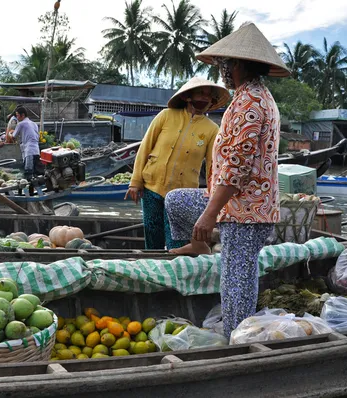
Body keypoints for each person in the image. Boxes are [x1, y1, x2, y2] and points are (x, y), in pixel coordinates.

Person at [165, 22, 290, 339]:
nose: (221, 70)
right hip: (232, 203)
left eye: (224, 64)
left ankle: (239, 338)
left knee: (237, 276)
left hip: (247, 210)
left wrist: (210, 214)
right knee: (177, 201)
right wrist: (209, 211)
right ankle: (197, 243)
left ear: (236, 65)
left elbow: (238, 167)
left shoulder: (251, 103)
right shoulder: (247, 96)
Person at [124, 77, 230, 250]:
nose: (205, 98)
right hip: (152, 188)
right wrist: (135, 183)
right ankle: (153, 273)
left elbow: (214, 167)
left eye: (209, 96)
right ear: (188, 97)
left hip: (181, 196)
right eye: (201, 93)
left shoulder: (212, 130)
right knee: (152, 237)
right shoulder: (166, 116)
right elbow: (145, 148)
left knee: (176, 243)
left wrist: (213, 198)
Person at [8, 106, 40, 180]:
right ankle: (36, 190)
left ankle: (29, 191)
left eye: (17, 115)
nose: (17, 117)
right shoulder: (34, 124)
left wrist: (9, 133)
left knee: (28, 174)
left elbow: (13, 137)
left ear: (22, 115)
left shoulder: (21, 124)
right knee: (36, 174)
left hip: (29, 152)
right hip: (37, 151)